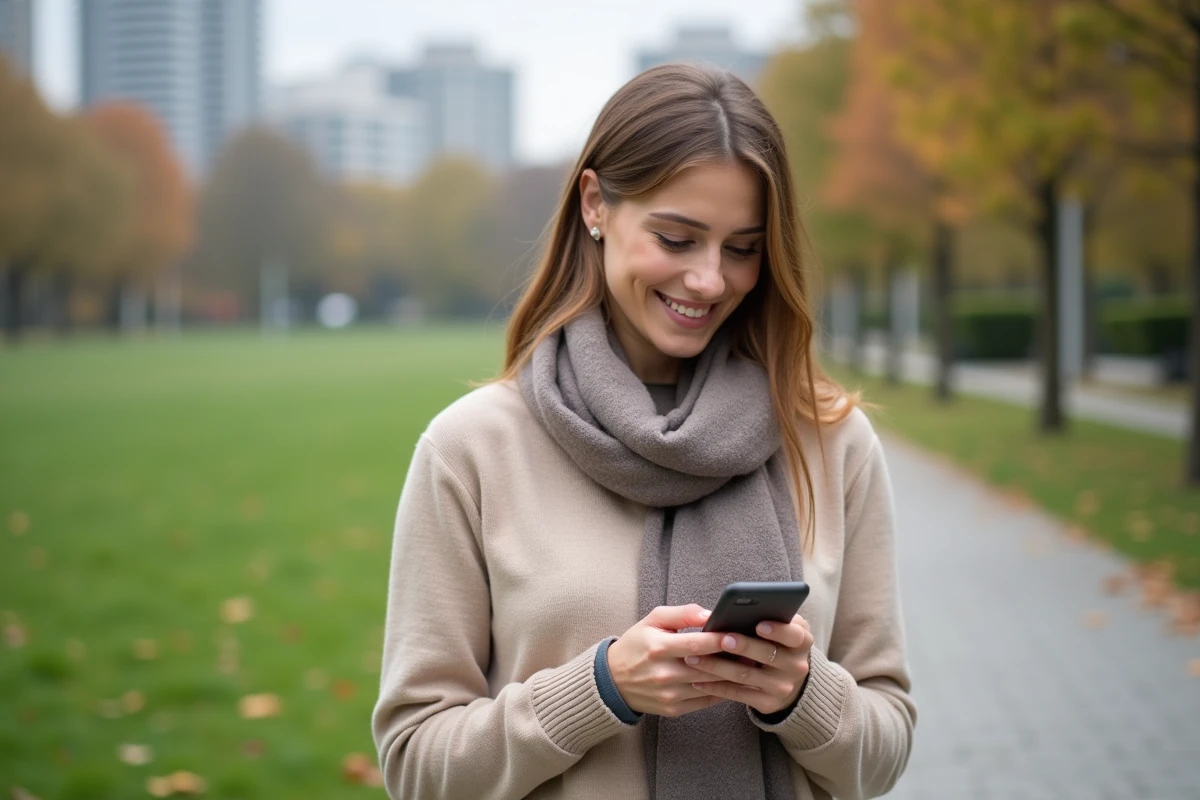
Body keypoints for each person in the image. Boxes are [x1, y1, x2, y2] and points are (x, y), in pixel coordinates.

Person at [372, 63, 915, 800]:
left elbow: (884, 754)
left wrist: (801, 694)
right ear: (596, 205)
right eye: (678, 237)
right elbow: (415, 765)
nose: (710, 280)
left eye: (742, 247)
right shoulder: (471, 449)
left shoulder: (831, 444)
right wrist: (599, 688)